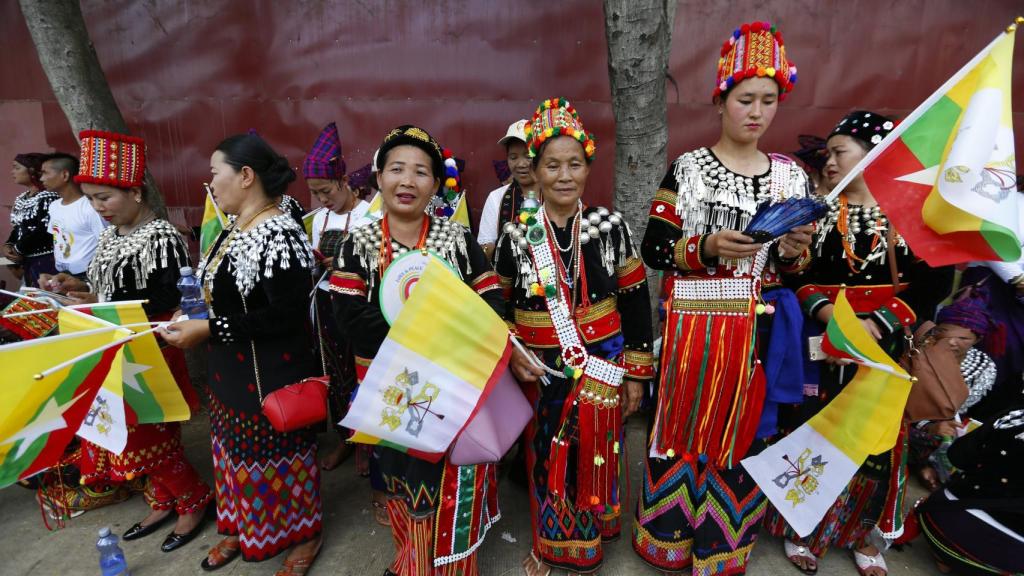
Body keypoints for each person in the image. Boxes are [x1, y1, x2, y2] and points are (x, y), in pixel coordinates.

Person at [635, 21, 814, 576]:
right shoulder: (687, 170)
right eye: (745, 99)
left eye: (768, 100)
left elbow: (794, 269)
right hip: (695, 329)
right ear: (721, 101)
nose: (756, 112)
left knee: (748, 431)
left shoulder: (792, 179)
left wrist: (793, 249)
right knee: (682, 427)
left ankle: (722, 546)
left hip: (757, 330)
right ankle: (667, 536)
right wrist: (706, 245)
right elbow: (654, 246)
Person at [765, 111, 955, 576]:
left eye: (839, 152)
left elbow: (934, 286)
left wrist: (880, 324)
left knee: (877, 442)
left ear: (876, 156)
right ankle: (804, 529)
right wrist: (832, 316)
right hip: (826, 343)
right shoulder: (817, 213)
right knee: (815, 429)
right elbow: (797, 277)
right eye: (826, 155)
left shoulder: (914, 215)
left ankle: (863, 537)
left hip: (886, 347)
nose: (828, 163)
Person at [331, 124, 502, 576]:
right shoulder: (359, 244)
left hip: (452, 386)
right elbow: (349, 315)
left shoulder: (457, 240)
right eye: (397, 169)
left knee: (452, 476)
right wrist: (417, 342)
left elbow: (489, 301)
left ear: (436, 184)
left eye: (421, 172)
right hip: (390, 389)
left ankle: (450, 567)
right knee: (401, 479)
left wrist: (452, 340)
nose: (407, 181)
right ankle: (413, 562)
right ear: (379, 177)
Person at [495, 98, 654, 576]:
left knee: (600, 447)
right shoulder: (517, 235)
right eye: (552, 165)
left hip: (602, 360)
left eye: (574, 164)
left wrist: (636, 374)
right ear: (535, 172)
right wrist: (513, 351)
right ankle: (554, 543)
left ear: (587, 167)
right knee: (547, 454)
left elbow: (634, 299)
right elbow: (498, 303)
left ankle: (598, 530)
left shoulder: (611, 226)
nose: (564, 176)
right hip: (542, 366)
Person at [161, 132, 322, 575]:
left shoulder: (280, 235)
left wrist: (210, 328)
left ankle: (305, 533)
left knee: (275, 454)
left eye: (216, 173)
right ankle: (243, 526)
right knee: (234, 453)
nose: (210, 183)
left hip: (270, 376)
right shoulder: (232, 229)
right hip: (230, 372)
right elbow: (221, 293)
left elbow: (287, 317)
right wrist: (191, 310)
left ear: (246, 176)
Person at [51, 130, 212, 552]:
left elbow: (165, 301)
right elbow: (111, 293)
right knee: (121, 435)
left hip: (151, 350)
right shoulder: (111, 238)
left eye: (105, 197)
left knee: (149, 438)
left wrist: (108, 308)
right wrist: (82, 292)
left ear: (136, 193)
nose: (97, 207)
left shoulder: (161, 238)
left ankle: (193, 498)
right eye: (91, 198)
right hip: (117, 346)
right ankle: (163, 498)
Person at [301, 122, 372, 474]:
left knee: (363, 371)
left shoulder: (369, 215)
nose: (323, 199)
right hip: (327, 303)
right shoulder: (320, 218)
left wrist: (344, 265)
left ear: (344, 181)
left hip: (358, 305)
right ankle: (346, 438)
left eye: (327, 190)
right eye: (316, 193)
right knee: (337, 373)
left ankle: (367, 442)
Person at [912, 404, 1024, 576]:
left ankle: (947, 558)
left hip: (945, 524)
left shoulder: (1015, 413)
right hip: (1011, 560)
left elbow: (957, 456)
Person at [909, 288, 1001, 490]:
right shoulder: (916, 353)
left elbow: (964, 413)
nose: (952, 341)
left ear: (977, 339)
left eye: (963, 339)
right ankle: (921, 465)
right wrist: (927, 426)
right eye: (945, 332)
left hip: (948, 428)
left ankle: (936, 468)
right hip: (909, 423)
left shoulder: (982, 367)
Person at [39, 152, 108, 286]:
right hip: (62, 275)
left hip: (89, 276)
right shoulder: (54, 206)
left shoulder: (90, 206)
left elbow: (106, 242)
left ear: (64, 175)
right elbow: (57, 238)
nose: (41, 179)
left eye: (45, 173)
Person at [478, 119, 537, 260]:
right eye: (513, 157)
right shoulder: (496, 198)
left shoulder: (556, 194)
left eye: (528, 156)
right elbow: (484, 249)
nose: (521, 164)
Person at [4, 153, 58, 287]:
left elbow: (45, 230)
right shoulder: (22, 198)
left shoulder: (48, 197)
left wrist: (18, 249)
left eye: (17, 168)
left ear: (32, 171)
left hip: (46, 260)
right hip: (28, 260)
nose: (12, 172)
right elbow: (18, 227)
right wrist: (9, 245)